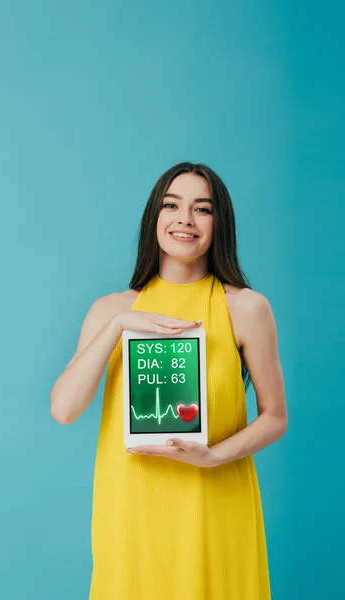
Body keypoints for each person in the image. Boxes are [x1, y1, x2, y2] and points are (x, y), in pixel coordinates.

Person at [50, 161, 288, 599]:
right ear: (153, 218)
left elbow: (274, 416)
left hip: (214, 500)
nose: (185, 219)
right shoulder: (111, 309)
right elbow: (64, 409)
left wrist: (214, 457)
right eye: (172, 205)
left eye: (203, 209)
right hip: (133, 509)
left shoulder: (247, 308)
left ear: (220, 224)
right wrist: (120, 324)